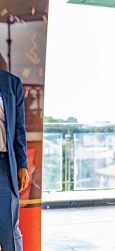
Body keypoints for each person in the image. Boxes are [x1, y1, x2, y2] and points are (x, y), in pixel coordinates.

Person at [0, 52, 29, 251]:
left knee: (9, 227)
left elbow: (19, 129)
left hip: (3, 165)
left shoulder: (11, 84)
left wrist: (22, 164)